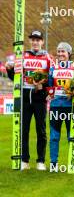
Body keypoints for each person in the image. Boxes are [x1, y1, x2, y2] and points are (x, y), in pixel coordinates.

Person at [6, 30, 52, 170]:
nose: (35, 42)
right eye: (33, 39)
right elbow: (15, 77)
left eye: (38, 40)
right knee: (23, 130)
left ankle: (41, 161)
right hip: (25, 98)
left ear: (42, 42)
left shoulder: (47, 57)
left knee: (41, 131)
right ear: (30, 41)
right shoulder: (23, 56)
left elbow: (51, 78)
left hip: (39, 99)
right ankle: (24, 160)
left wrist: (42, 85)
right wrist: (9, 70)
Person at [48, 42, 74, 172]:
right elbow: (50, 86)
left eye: (63, 51)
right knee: (54, 136)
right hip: (56, 106)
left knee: (72, 135)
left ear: (69, 53)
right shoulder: (53, 68)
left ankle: (73, 162)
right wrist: (48, 94)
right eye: (59, 51)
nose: (61, 54)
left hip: (71, 106)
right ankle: (53, 164)